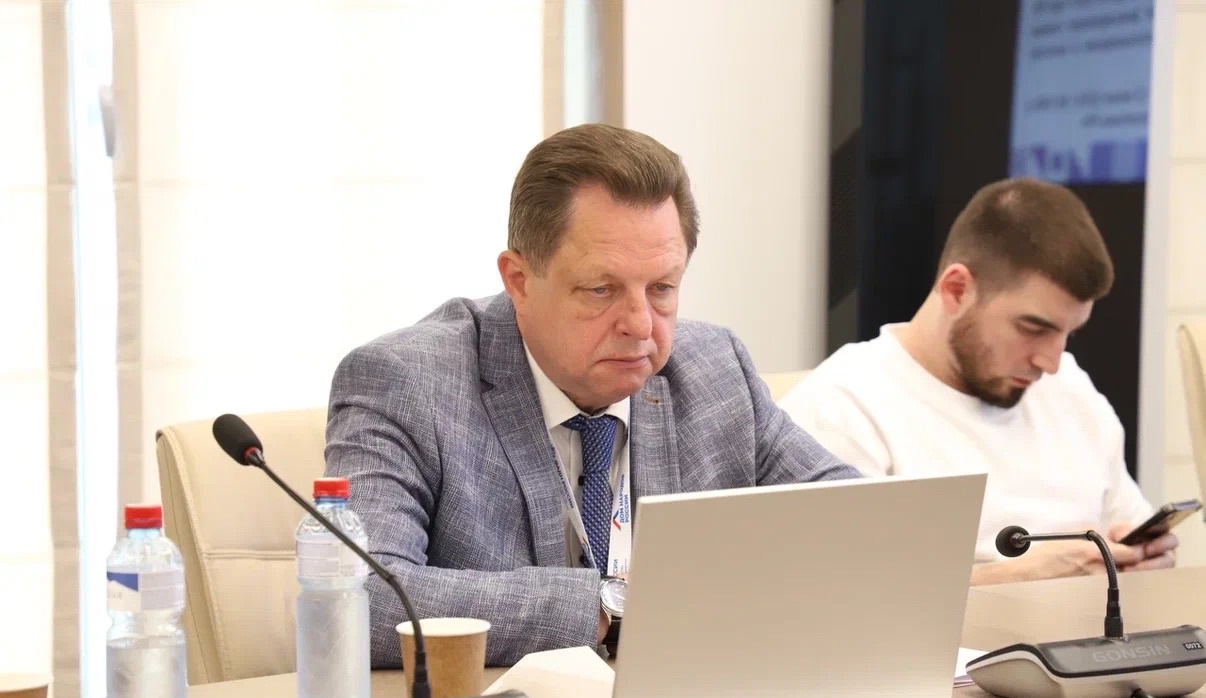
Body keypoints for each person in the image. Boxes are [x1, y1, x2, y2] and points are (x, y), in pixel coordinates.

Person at [325, 123, 859, 668]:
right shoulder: (406, 382)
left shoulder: (715, 370)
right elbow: (355, 598)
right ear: (519, 280)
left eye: (662, 288)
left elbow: (860, 523)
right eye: (601, 290)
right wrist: (608, 607)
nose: (640, 324)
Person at [779, 177, 1178, 585]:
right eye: (1033, 328)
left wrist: (1142, 561)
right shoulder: (843, 408)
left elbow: (1128, 526)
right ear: (957, 290)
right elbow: (841, 598)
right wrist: (1019, 580)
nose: (1051, 362)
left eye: (1068, 334)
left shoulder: (1070, 389)